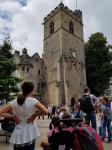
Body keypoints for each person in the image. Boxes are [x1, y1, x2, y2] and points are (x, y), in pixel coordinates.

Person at [0, 81, 48, 150]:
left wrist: (13, 116)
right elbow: (45, 111)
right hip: (30, 132)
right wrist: (34, 115)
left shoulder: (15, 101)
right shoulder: (33, 101)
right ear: (32, 89)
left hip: (18, 133)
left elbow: (1, 112)